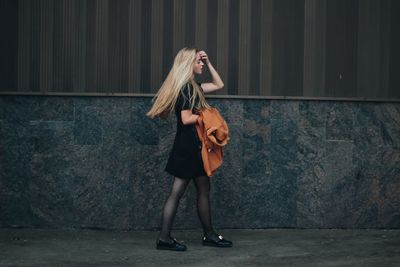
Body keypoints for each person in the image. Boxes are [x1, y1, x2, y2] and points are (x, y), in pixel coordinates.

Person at [147, 47, 233, 251]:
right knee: (178, 192)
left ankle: (208, 235)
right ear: (188, 64)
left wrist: (209, 61)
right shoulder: (186, 87)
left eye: (202, 62)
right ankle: (165, 239)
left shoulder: (193, 86)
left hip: (194, 146)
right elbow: (185, 119)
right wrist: (209, 116)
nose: (201, 64)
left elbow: (219, 84)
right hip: (189, 147)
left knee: (203, 189)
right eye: (199, 61)